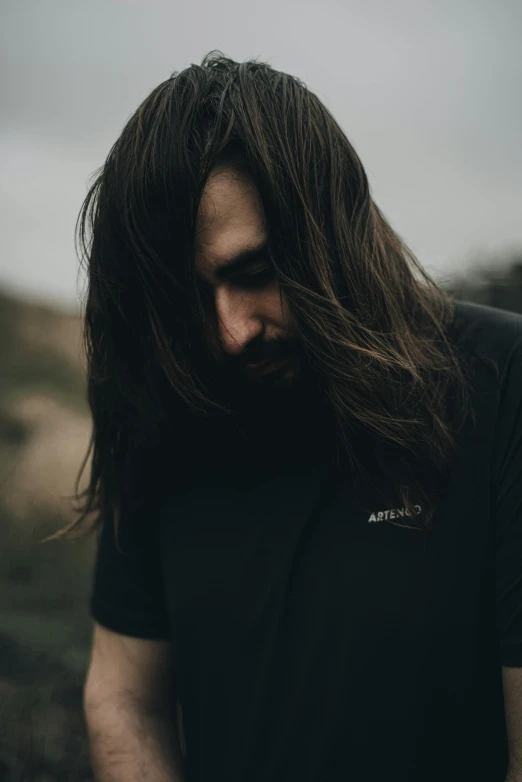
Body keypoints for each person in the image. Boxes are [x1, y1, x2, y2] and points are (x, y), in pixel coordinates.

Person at [44, 51, 522, 782]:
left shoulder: (501, 380)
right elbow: (124, 699)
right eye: (192, 297)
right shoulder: (161, 421)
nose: (233, 331)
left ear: (332, 232)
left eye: (257, 273)